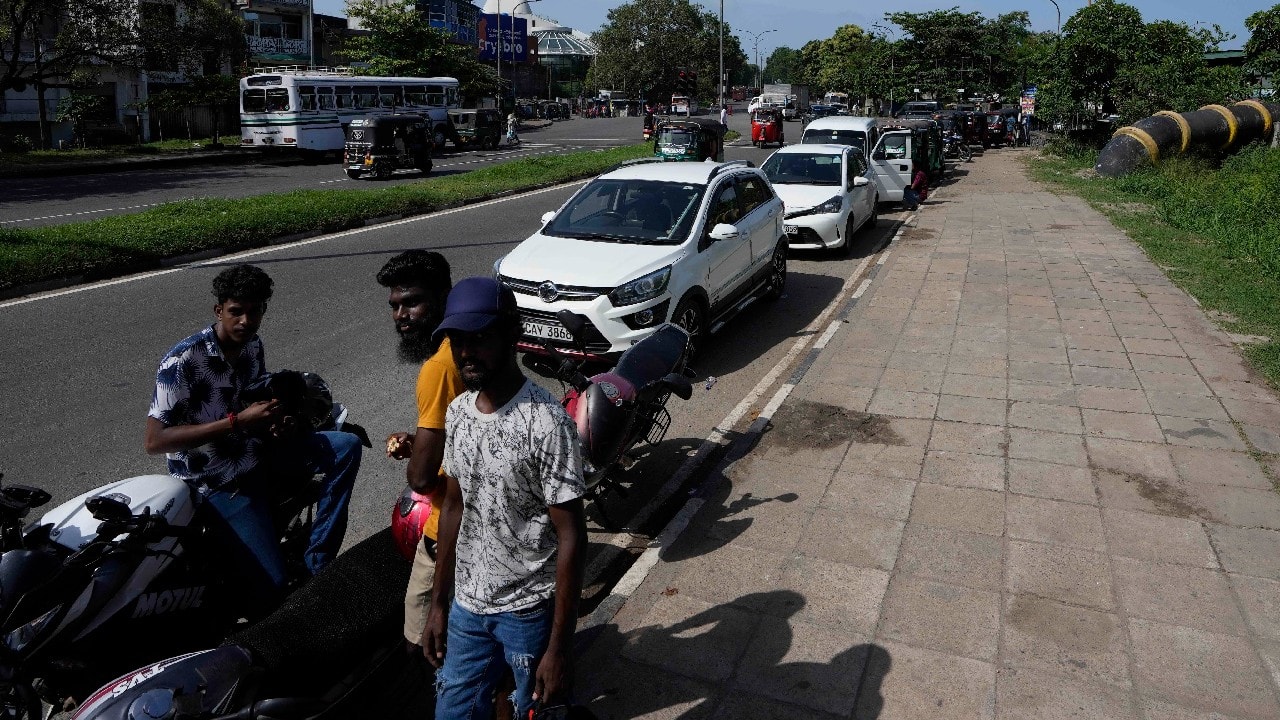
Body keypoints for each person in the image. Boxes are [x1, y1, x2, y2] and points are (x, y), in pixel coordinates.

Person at [145, 264, 361, 612]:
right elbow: (156, 441)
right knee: (271, 588)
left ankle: (316, 565)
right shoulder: (183, 360)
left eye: (254, 311)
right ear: (219, 311)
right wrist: (235, 422)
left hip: (258, 452)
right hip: (217, 480)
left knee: (345, 446)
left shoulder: (252, 346)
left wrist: (276, 422)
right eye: (236, 312)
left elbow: (253, 400)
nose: (245, 321)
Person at [424, 278, 587, 720]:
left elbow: (571, 535)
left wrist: (559, 647)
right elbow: (453, 507)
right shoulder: (458, 413)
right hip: (467, 610)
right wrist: (439, 604)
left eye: (479, 338)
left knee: (533, 711)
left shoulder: (547, 422)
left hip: (528, 613)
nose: (466, 352)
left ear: (511, 334)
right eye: (457, 341)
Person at [376, 250, 465, 652]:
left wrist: (418, 457)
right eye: (395, 305)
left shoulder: (438, 368)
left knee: (421, 641)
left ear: (443, 296)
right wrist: (419, 443)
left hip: (448, 523)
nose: (400, 315)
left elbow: (422, 478)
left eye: (412, 302)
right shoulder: (466, 345)